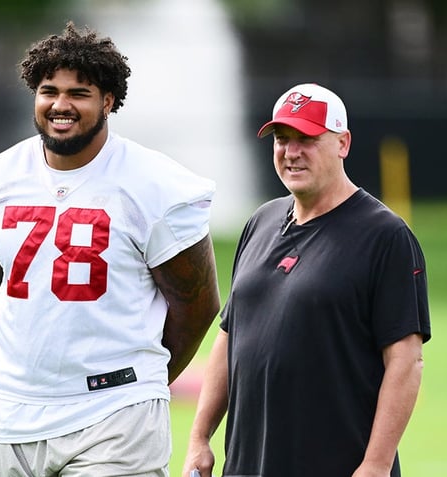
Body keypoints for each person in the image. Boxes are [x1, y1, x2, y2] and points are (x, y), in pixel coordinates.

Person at [0, 22, 221, 477]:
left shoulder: (155, 185)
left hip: (116, 414)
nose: (60, 104)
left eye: (79, 93)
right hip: (12, 412)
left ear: (108, 102)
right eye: (48, 90)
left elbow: (197, 305)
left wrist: (141, 381)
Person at [183, 83, 431, 477]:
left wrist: (377, 465)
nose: (291, 151)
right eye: (282, 139)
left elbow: (405, 360)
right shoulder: (261, 221)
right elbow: (230, 337)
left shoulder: (384, 236)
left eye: (307, 139)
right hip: (249, 464)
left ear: (342, 143)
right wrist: (199, 439)